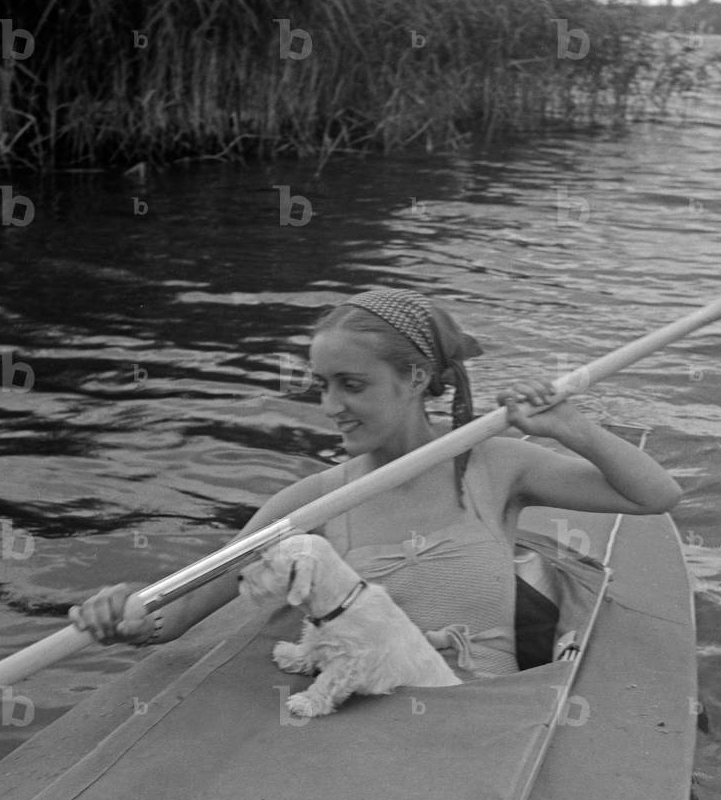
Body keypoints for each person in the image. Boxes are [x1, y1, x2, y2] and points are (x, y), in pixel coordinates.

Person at [70, 289, 681, 675]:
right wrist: (127, 613)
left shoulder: (495, 466)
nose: (330, 406)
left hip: (491, 721)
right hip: (370, 733)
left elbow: (655, 496)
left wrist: (572, 429)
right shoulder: (312, 503)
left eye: (351, 385)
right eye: (323, 385)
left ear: (414, 378)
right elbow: (179, 612)